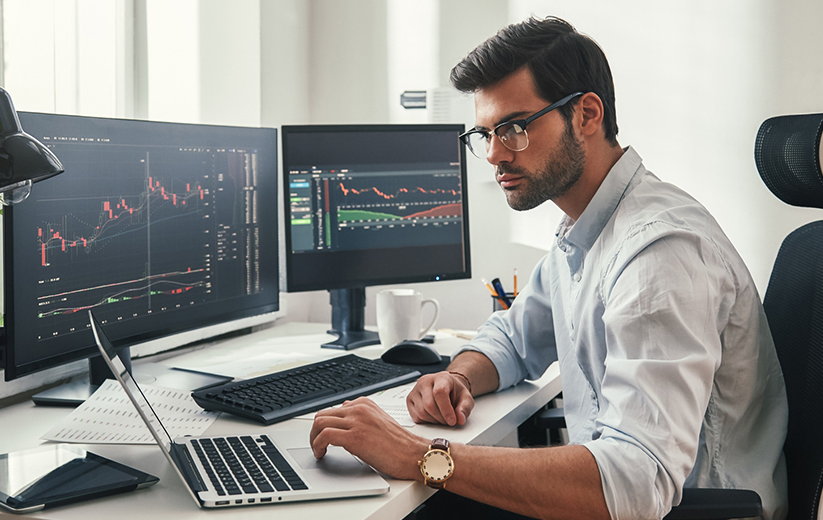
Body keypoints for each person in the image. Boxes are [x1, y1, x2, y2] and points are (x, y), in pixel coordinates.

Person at [309, 16, 788, 520]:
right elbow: (514, 340)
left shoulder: (658, 254)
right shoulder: (582, 231)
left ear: (585, 114)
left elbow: (635, 483)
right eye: (485, 134)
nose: (494, 154)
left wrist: (420, 457)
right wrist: (459, 378)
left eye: (513, 129)